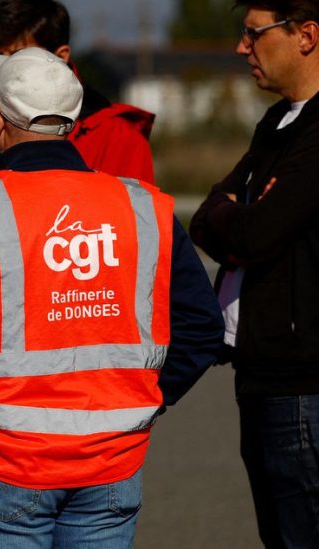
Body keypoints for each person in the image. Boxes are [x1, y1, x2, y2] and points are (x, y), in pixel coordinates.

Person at [0, 47, 224, 548]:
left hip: (3, 463)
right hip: (112, 462)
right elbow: (202, 329)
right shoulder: (144, 208)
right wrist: (141, 403)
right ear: (73, 121)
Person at [190, 1, 319, 546]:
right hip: (261, 373)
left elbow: (254, 234)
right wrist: (234, 212)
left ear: (306, 36)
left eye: (254, 33)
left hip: (304, 383)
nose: (243, 47)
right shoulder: (277, 124)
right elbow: (204, 218)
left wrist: (237, 215)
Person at [0, 0, 155, 197]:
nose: (6, 70)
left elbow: (135, 228)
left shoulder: (117, 137)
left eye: (19, 57)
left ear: (61, 56)